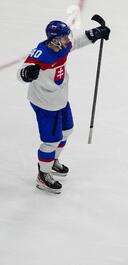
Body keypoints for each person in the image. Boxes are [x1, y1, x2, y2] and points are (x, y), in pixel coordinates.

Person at [17, 20, 111, 193]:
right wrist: (27, 73)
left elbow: (78, 42)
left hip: (60, 98)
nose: (68, 39)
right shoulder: (41, 54)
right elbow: (22, 71)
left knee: (67, 131)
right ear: (54, 40)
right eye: (64, 37)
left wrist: (95, 33)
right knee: (51, 140)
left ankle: (51, 162)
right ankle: (43, 176)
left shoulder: (63, 46)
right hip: (45, 103)